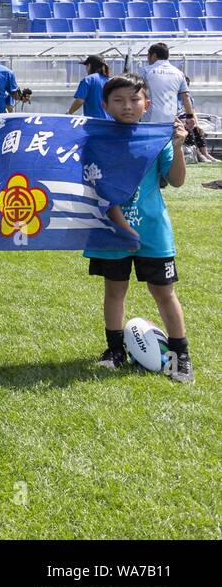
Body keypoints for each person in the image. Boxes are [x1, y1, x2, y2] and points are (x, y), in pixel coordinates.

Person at [82, 73, 193, 383]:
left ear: (148, 104)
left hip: (153, 233)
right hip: (112, 231)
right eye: (118, 100)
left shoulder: (158, 140)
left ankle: (179, 357)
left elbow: (177, 180)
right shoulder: (97, 142)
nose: (127, 106)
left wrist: (178, 145)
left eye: (134, 100)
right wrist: (122, 227)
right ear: (105, 105)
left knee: (164, 293)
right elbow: (100, 189)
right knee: (115, 290)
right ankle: (115, 351)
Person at [141, 42, 197, 126]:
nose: (147, 58)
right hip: (170, 119)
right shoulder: (179, 73)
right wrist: (190, 116)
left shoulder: (145, 71)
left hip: (150, 118)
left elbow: (139, 92)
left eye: (148, 55)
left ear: (154, 55)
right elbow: (185, 96)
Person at [69, 55, 111, 119]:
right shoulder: (110, 80)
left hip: (94, 122)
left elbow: (80, 100)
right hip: (110, 121)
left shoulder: (88, 80)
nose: (85, 68)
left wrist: (69, 112)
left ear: (89, 66)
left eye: (86, 66)